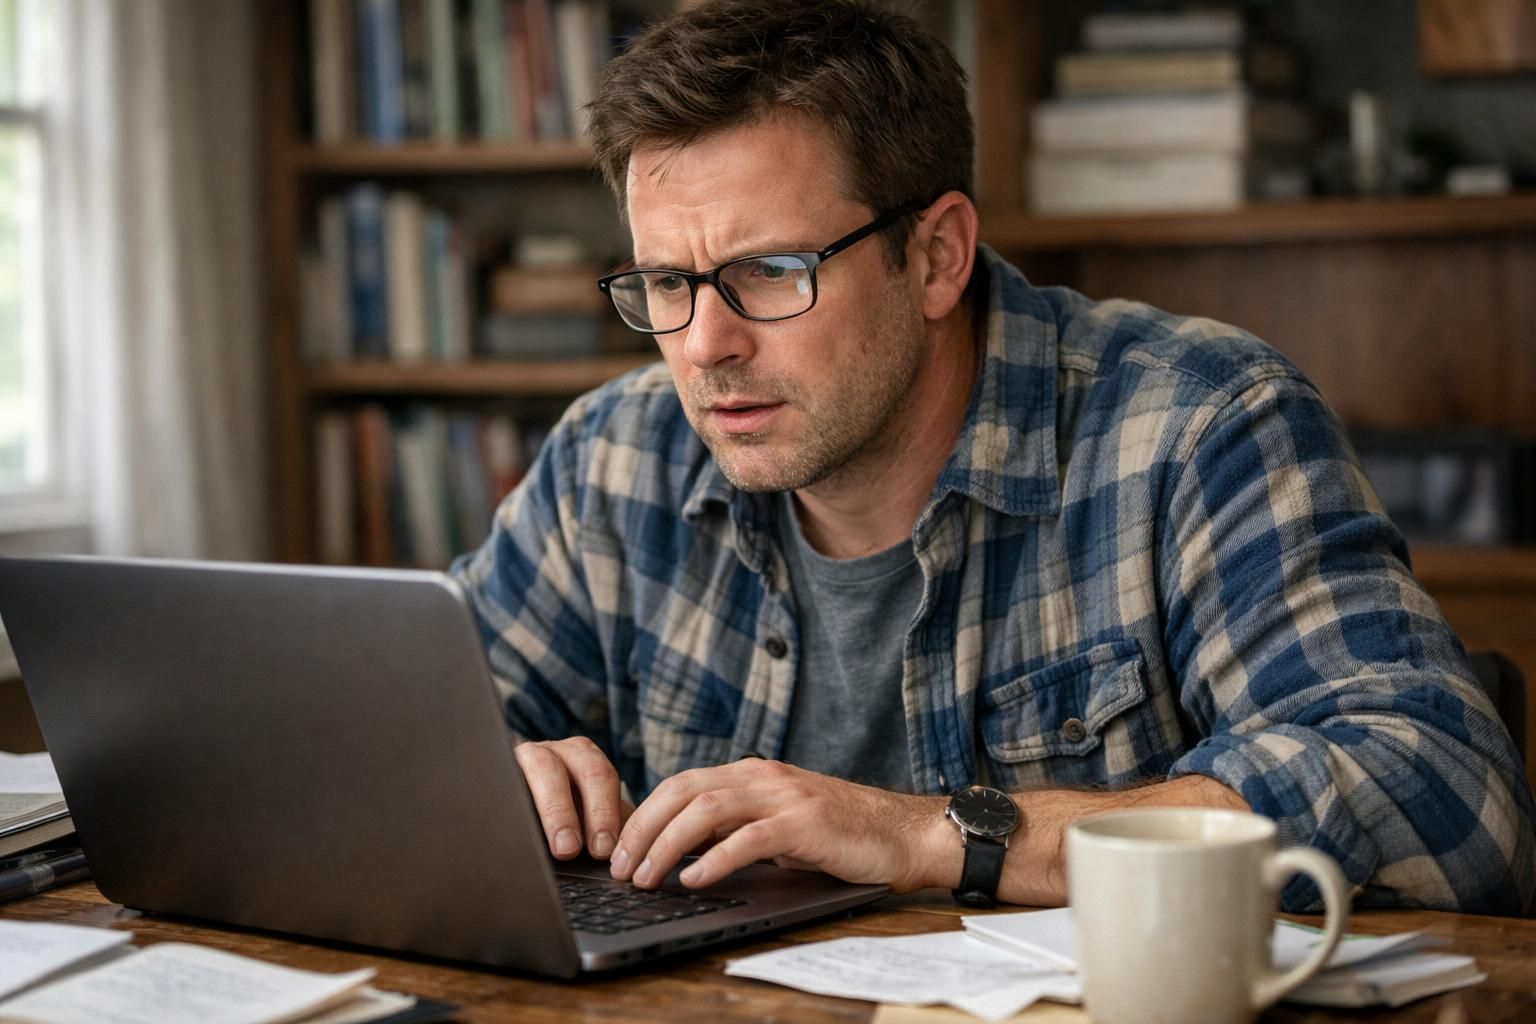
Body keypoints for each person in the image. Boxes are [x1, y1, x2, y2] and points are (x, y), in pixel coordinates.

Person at [451, 0, 1535, 913]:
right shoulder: (614, 459)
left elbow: (1453, 799)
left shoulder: (1198, 427)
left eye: (770, 272)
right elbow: (361, 740)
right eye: (667, 284)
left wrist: (941, 835)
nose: (704, 344)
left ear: (937, 256)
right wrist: (488, 779)